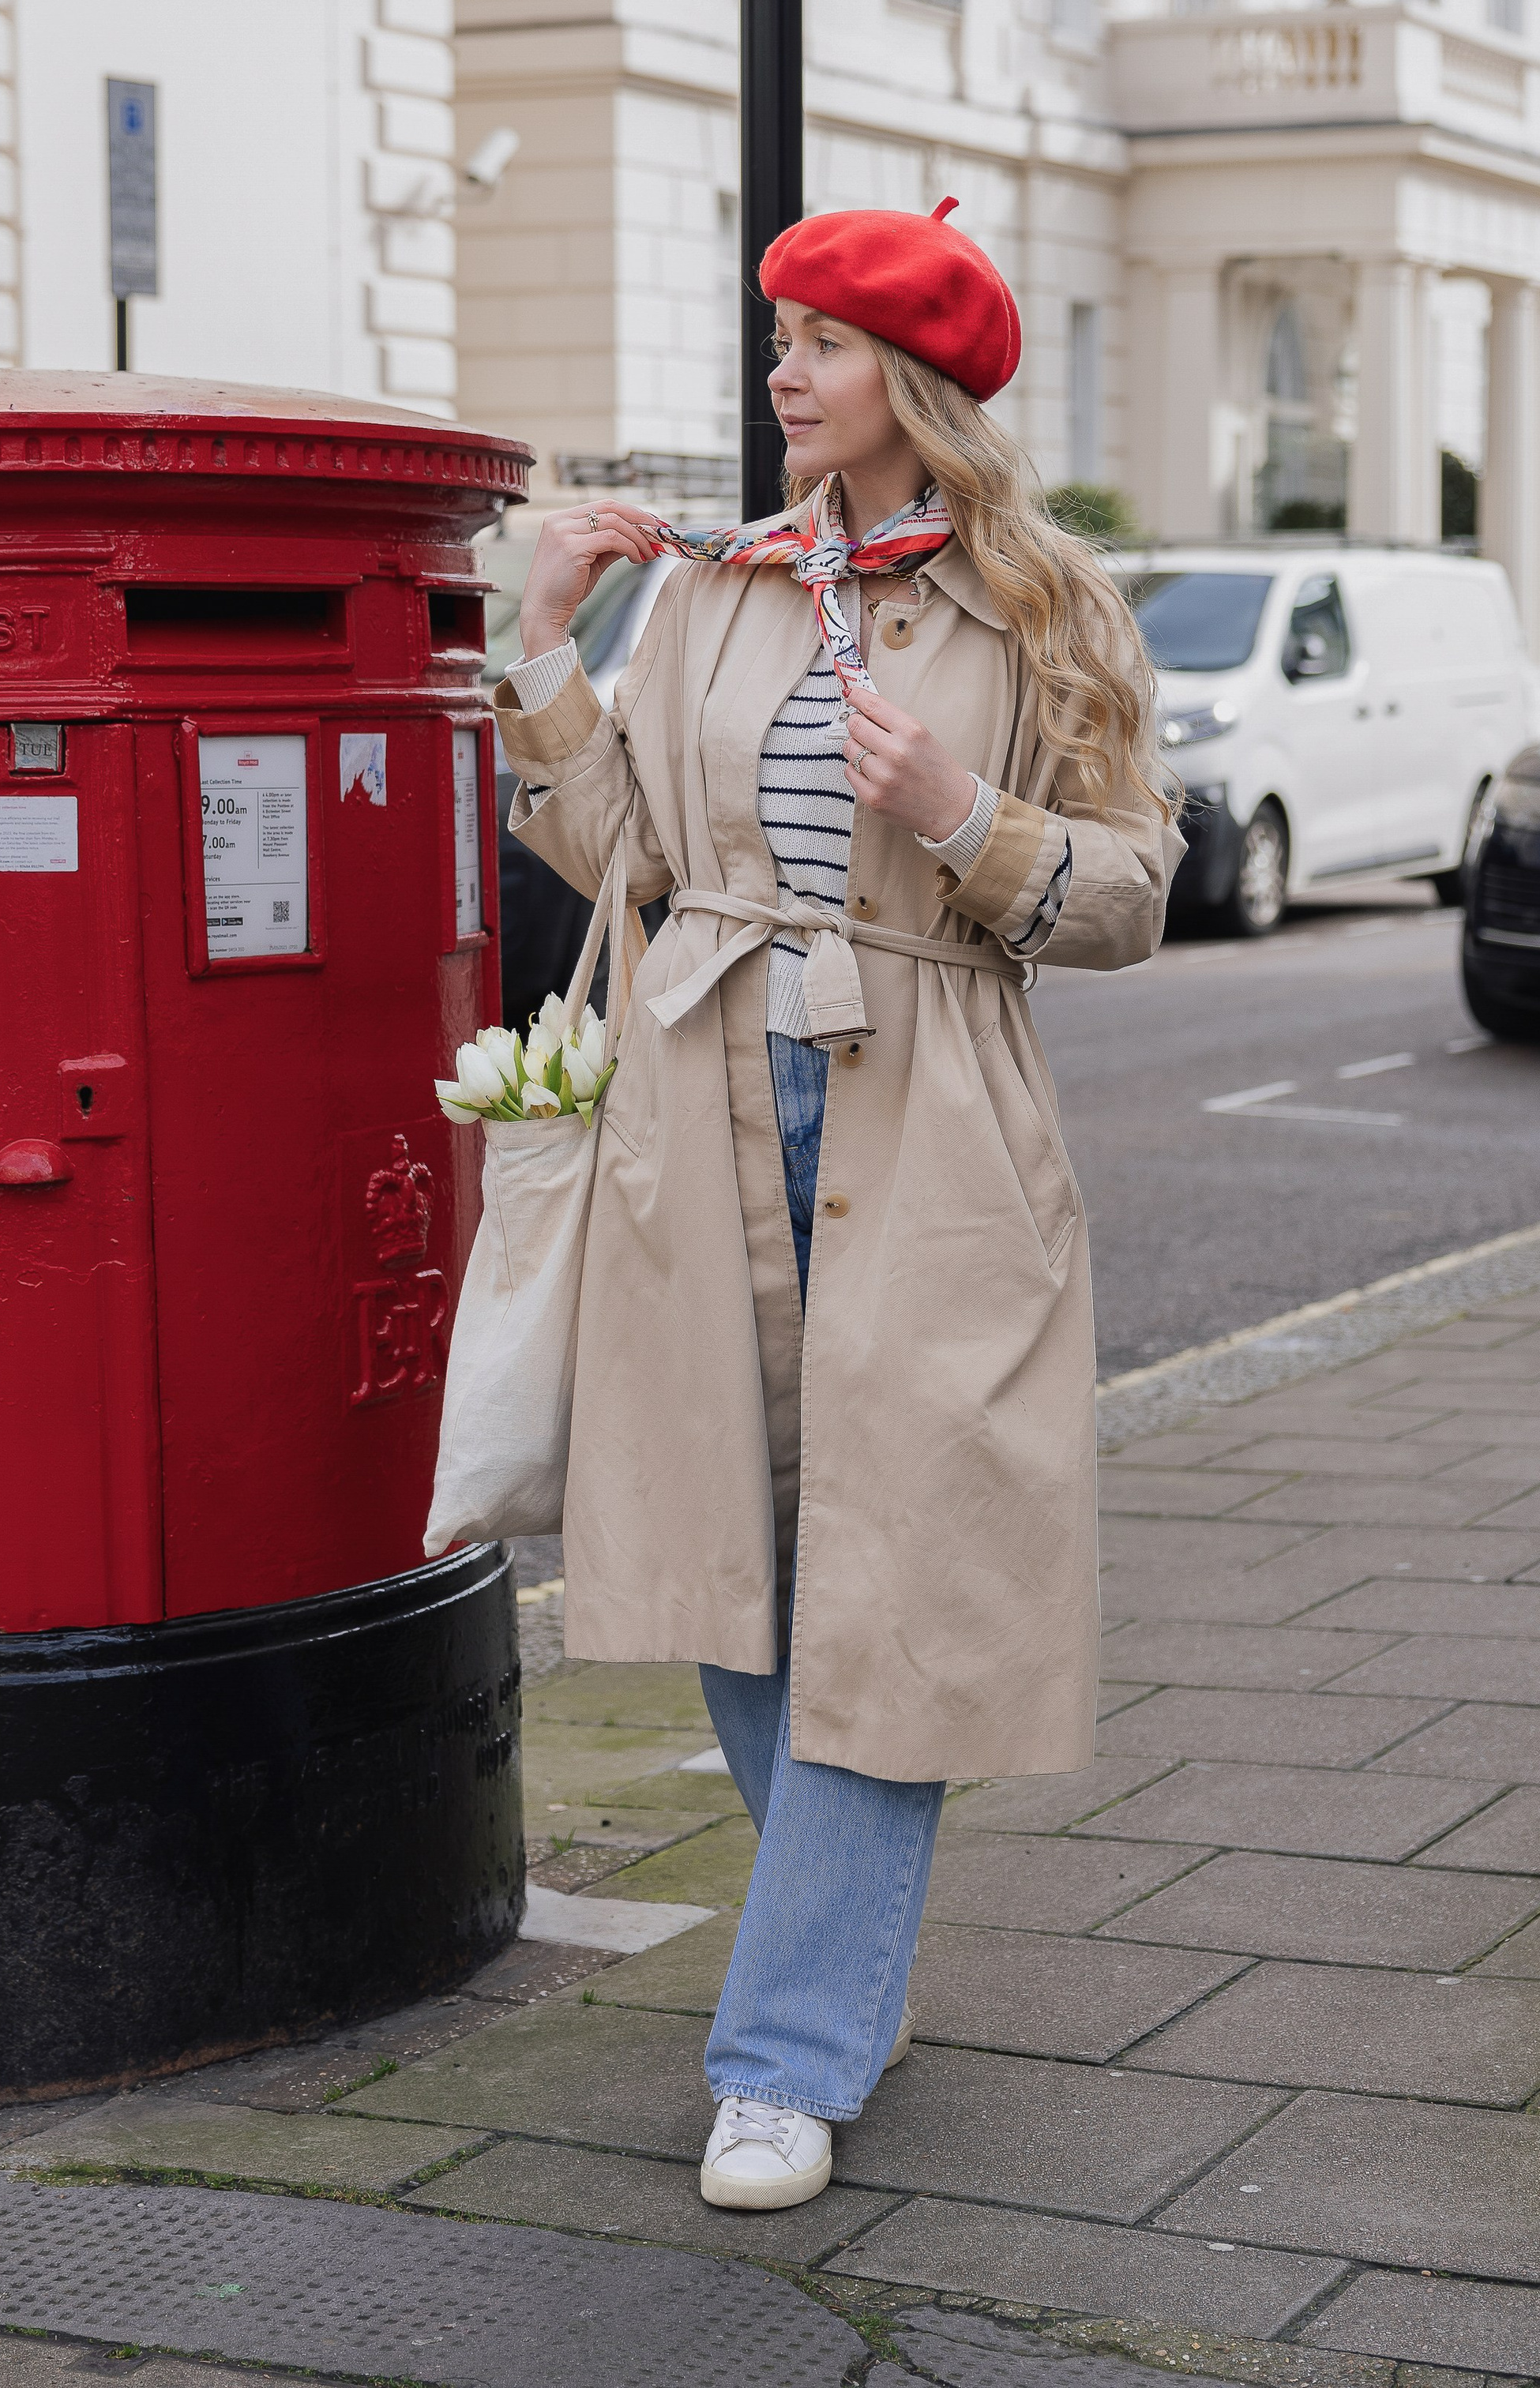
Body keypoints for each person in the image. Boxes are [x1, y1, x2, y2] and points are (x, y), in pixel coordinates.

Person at [494, 200, 1180, 2212]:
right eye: (776, 338)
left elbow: (1134, 894)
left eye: (817, 343)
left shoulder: (1049, 605)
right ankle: (842, 1960)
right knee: (739, 1563)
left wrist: (962, 822)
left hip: (933, 1115)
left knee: (896, 1579)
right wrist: (544, 642)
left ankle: (782, 2058)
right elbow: (611, 843)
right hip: (701, 1093)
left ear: (917, 384)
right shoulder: (716, 591)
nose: (779, 373)